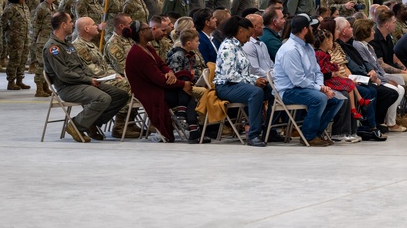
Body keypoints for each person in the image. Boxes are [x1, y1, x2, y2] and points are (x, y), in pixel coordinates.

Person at [43, 12, 130, 143]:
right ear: (63, 25)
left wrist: (92, 78)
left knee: (121, 95)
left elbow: (81, 66)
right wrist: (88, 80)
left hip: (81, 83)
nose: (72, 24)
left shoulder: (67, 44)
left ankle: (91, 122)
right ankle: (76, 125)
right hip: (68, 87)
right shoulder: (53, 48)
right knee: (103, 98)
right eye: (70, 22)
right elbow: (64, 74)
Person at [124, 19, 205, 143]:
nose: (152, 30)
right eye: (148, 29)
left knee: (185, 78)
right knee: (187, 90)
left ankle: (185, 118)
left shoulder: (148, 48)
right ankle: (193, 131)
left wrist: (170, 72)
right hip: (149, 91)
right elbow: (157, 78)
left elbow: (162, 65)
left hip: (158, 85)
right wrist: (182, 84)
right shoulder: (137, 53)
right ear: (141, 33)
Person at [273, 15, 348, 147]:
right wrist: (320, 89)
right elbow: (298, 80)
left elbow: (317, 71)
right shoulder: (290, 50)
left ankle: (317, 133)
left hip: (305, 88)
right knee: (319, 98)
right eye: (311, 27)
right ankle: (309, 136)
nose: (315, 30)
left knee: (338, 98)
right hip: (289, 91)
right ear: (304, 30)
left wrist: (321, 86)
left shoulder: (307, 47)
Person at [214, 16, 272, 147]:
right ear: (240, 31)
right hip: (226, 86)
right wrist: (254, 80)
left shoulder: (239, 46)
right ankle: (253, 134)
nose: (248, 40)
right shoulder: (228, 47)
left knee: (271, 90)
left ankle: (269, 129)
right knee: (256, 93)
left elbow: (243, 73)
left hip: (239, 84)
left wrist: (257, 80)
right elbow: (230, 75)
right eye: (247, 36)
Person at [29, 0, 57, 97]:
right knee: (40, 64)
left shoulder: (53, 7)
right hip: (42, 39)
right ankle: (39, 88)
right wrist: (34, 39)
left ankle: (46, 86)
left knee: (48, 65)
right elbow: (36, 24)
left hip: (51, 39)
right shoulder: (41, 8)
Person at [3, 0, 31, 90]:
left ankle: (20, 80)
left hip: (25, 37)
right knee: (15, 59)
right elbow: (3, 22)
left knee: (23, 59)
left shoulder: (25, 7)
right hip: (15, 38)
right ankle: (11, 81)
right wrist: (10, 32)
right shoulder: (11, 8)